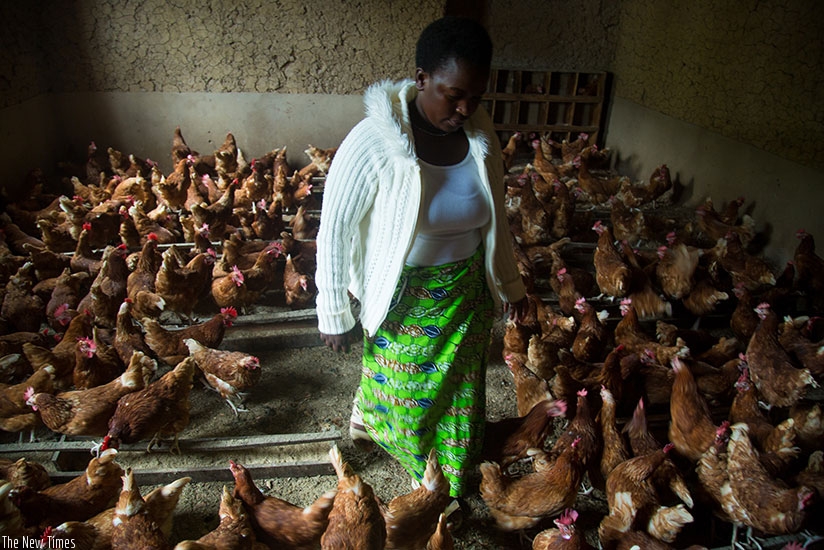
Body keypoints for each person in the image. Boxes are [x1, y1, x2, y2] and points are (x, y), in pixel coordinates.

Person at [315, 16, 527, 500]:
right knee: (408, 396)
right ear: (422, 79)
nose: (465, 107)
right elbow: (334, 232)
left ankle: (437, 477)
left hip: (467, 291)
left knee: (457, 394)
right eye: (453, 94)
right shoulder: (374, 142)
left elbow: (496, 218)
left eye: (476, 96)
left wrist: (511, 286)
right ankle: (383, 422)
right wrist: (333, 310)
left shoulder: (480, 135)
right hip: (403, 294)